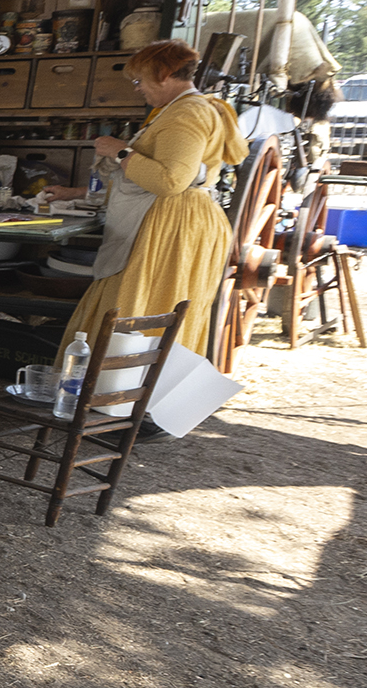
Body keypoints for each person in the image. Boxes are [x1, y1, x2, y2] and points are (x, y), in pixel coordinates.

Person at [40, 40, 247, 440]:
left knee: (142, 309)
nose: (138, 88)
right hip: (175, 222)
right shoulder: (177, 111)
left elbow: (171, 180)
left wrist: (119, 152)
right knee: (145, 309)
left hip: (173, 226)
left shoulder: (187, 113)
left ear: (165, 75)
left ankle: (132, 410)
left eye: (140, 79)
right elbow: (152, 178)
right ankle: (122, 405)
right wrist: (75, 192)